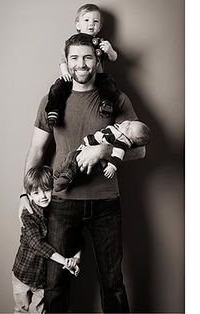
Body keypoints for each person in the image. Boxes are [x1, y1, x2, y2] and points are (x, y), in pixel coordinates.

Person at [19, 33, 146, 313]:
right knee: (56, 283)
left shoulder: (116, 99)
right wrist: (24, 194)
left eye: (87, 57)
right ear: (65, 62)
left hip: (105, 203)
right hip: (61, 202)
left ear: (97, 59)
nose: (81, 64)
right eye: (74, 58)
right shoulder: (50, 101)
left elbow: (140, 150)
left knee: (113, 282)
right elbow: (37, 151)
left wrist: (102, 151)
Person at [13, 165, 81, 314]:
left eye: (47, 190)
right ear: (29, 195)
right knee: (21, 311)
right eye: (36, 193)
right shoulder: (27, 215)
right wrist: (64, 261)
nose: (42, 196)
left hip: (42, 279)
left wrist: (75, 258)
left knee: (39, 312)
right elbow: (38, 244)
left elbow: (75, 234)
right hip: (23, 275)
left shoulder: (58, 213)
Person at [45, 3, 119, 128]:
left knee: (109, 86)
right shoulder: (72, 42)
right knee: (57, 88)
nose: (91, 24)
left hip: (98, 77)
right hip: (74, 77)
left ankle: (106, 104)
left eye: (95, 21)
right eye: (86, 20)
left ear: (100, 27)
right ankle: (53, 110)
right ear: (78, 24)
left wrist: (110, 50)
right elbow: (62, 60)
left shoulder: (100, 43)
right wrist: (65, 73)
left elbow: (113, 58)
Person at [54, 120, 150, 192]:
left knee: (73, 159)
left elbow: (118, 155)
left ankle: (66, 177)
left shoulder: (122, 141)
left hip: (98, 163)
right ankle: (60, 172)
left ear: (131, 139)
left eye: (129, 128)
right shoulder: (118, 129)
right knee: (71, 156)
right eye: (130, 122)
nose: (127, 123)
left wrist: (111, 166)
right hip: (85, 150)